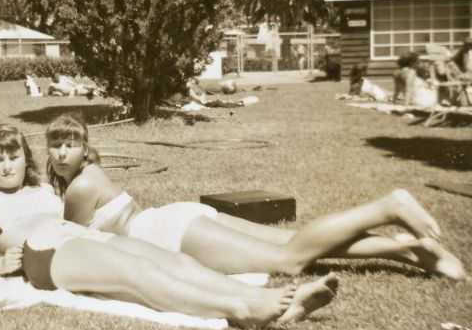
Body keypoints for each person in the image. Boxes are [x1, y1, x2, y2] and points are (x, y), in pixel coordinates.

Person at [0, 124, 339, 329]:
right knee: (136, 274)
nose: (7, 165)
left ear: (26, 159)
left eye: (14, 156)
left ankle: (270, 304)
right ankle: (244, 307)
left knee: (172, 261)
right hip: (44, 251)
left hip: (81, 236)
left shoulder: (43, 188)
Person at [46, 114, 467, 281]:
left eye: (69, 145)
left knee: (290, 260)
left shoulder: (80, 187)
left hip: (170, 233)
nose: (62, 152)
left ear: (85, 148)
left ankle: (387, 206)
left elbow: (74, 244)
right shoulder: (91, 173)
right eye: (55, 145)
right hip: (176, 218)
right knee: (294, 241)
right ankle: (409, 252)